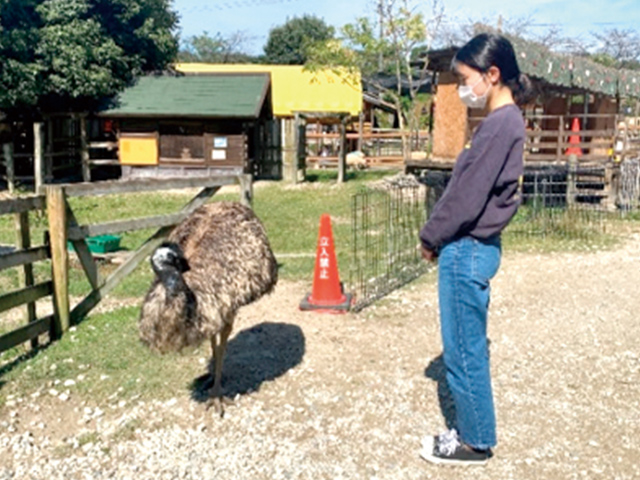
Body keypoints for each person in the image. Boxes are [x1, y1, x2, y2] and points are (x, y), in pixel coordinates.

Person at [418, 33, 532, 466]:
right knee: (468, 345)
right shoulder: (505, 122)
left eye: (466, 79)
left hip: (466, 249)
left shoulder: (501, 125)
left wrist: (431, 237)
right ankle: (472, 431)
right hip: (475, 247)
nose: (463, 88)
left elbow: (466, 196)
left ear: (492, 74)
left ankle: (475, 441)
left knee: (463, 350)